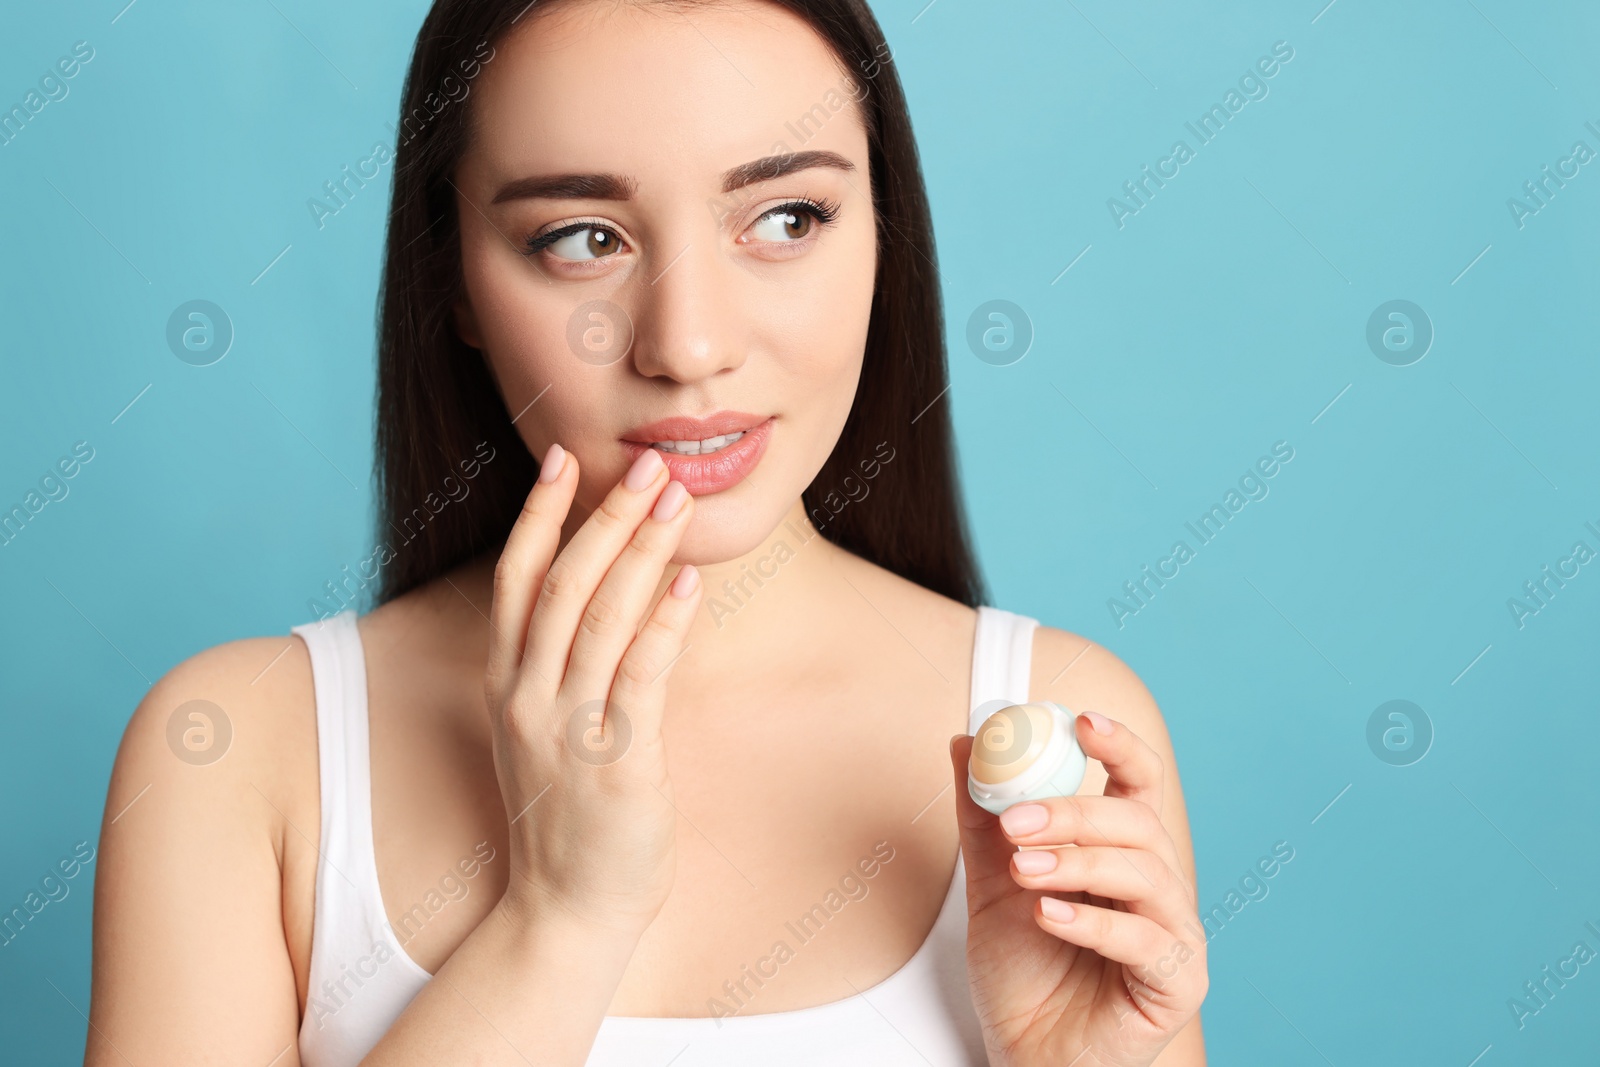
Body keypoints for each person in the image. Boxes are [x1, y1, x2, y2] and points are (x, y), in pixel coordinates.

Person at [88, 1, 1208, 1063]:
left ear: (883, 234)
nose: (688, 343)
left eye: (784, 219)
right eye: (581, 238)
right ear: (457, 286)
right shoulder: (239, 750)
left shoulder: (1055, 722)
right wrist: (560, 920)